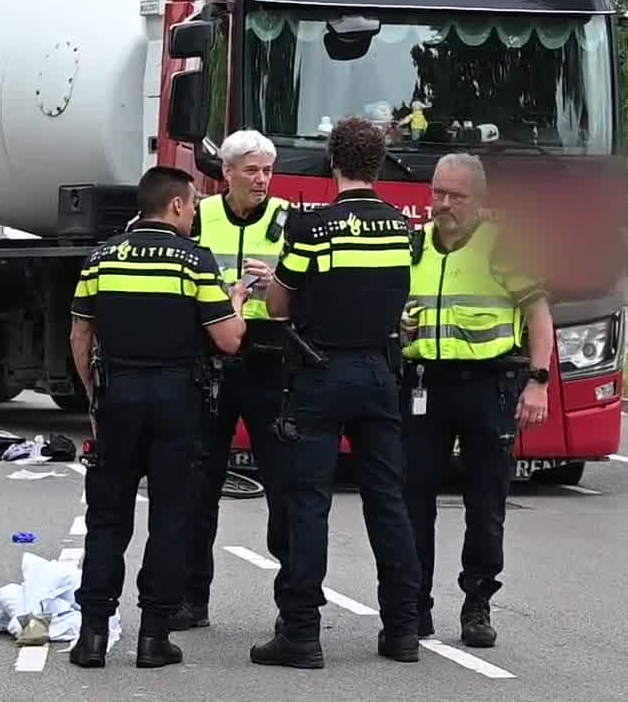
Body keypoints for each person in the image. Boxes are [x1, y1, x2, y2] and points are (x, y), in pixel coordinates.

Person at [68, 166, 250, 670]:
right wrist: (234, 300)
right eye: (192, 205)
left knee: (107, 518)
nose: (194, 214)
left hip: (117, 398)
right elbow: (229, 339)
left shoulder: (101, 259)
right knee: (171, 517)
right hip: (177, 401)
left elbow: (80, 337)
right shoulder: (195, 262)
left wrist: (93, 397)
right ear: (175, 206)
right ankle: (153, 638)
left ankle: (92, 638)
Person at [256, 116, 420, 668]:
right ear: (377, 164)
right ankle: (402, 629)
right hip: (380, 373)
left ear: (333, 162)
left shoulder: (311, 229)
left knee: (309, 505)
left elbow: (279, 308)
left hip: (321, 375)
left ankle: (301, 633)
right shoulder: (402, 230)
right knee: (388, 503)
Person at [400, 154, 553, 648]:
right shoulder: (414, 245)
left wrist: (539, 381)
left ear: (479, 200)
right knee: (412, 501)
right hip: (424, 385)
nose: (443, 204)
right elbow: (393, 305)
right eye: (437, 192)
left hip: (488, 386)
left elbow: (539, 314)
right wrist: (398, 326)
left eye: (455, 196)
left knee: (485, 502)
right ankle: (413, 605)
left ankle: (477, 604)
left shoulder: (500, 245)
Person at [177, 130, 294, 632]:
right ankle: (189, 599)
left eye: (267, 170)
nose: (262, 179)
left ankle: (293, 606)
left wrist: (280, 284)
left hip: (270, 362)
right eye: (251, 170)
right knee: (197, 483)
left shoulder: (290, 218)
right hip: (209, 363)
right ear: (226, 173)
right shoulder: (198, 217)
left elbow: (313, 289)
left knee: (285, 486)